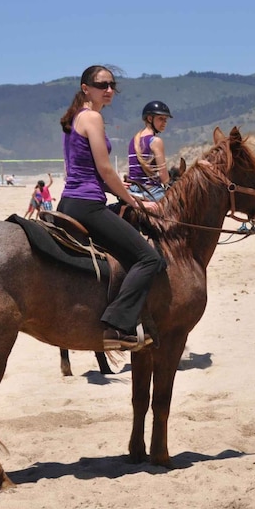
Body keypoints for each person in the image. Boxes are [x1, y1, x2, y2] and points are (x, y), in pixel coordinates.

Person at [58, 65, 165, 351]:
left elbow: (88, 172)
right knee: (150, 259)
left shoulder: (74, 119)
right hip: (87, 205)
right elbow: (105, 171)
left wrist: (132, 196)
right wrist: (134, 203)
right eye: (101, 84)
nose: (108, 90)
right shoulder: (92, 117)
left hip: (69, 201)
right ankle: (117, 327)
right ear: (85, 88)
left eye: (112, 85)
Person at [128, 101, 173, 201]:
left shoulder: (133, 140)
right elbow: (164, 178)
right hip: (151, 192)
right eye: (161, 119)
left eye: (166, 120)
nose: (164, 123)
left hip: (132, 191)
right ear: (149, 118)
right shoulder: (156, 141)